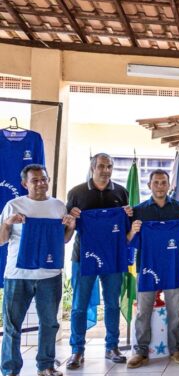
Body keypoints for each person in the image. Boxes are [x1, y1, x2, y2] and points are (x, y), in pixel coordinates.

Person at [0, 164, 75, 376]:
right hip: (17, 275)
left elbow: (63, 240)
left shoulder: (58, 206)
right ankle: (10, 369)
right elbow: (1, 240)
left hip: (50, 275)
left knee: (49, 324)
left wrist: (71, 227)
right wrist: (7, 224)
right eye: (35, 180)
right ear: (25, 184)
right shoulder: (13, 205)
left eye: (44, 179)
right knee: (12, 326)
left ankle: (45, 366)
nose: (41, 183)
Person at [65, 153, 131, 369]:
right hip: (83, 257)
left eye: (109, 166)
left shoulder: (121, 192)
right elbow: (67, 227)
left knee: (112, 303)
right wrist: (72, 217)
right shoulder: (76, 193)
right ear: (93, 167)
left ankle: (112, 347)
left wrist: (128, 213)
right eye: (101, 166)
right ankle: (77, 350)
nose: (106, 170)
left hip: (113, 257)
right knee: (79, 305)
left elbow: (126, 225)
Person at [126, 169, 179, 368]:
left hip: (174, 266)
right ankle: (140, 352)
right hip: (147, 267)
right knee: (143, 312)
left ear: (169, 185)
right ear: (149, 185)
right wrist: (133, 231)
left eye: (163, 182)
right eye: (156, 182)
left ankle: (176, 349)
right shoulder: (139, 210)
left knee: (174, 311)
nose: (160, 186)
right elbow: (128, 240)